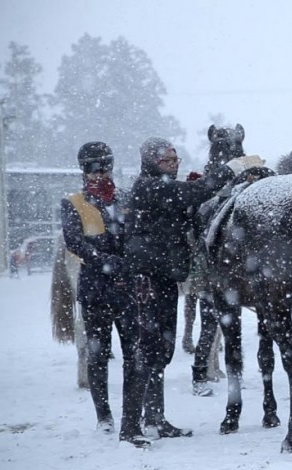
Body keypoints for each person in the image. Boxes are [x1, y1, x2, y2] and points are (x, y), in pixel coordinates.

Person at [122, 137, 234, 446]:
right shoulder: (148, 186)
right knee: (145, 352)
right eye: (167, 161)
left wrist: (194, 193)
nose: (173, 165)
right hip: (146, 280)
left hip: (165, 277)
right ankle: (129, 427)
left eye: (176, 160)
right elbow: (193, 193)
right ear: (151, 162)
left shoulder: (164, 188)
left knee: (161, 351)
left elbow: (188, 202)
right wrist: (230, 169)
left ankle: (155, 419)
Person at [60, 141, 138, 435]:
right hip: (96, 289)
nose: (99, 173)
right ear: (83, 170)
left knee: (133, 354)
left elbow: (136, 234)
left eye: (104, 167)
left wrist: (128, 262)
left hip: (128, 289)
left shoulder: (126, 199)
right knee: (98, 354)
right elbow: (74, 241)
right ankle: (103, 415)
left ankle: (132, 412)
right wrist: (105, 261)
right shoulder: (74, 203)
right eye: (92, 168)